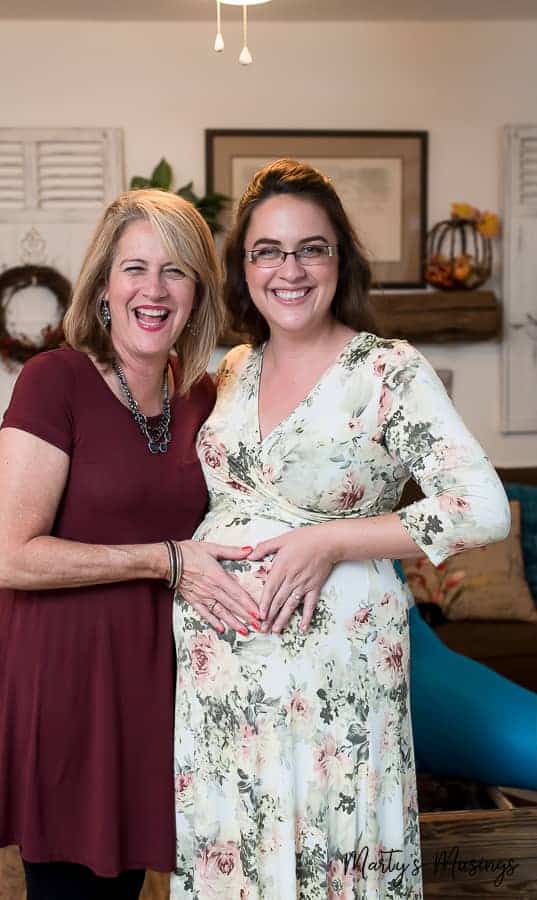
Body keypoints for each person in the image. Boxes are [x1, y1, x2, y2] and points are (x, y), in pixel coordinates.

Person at [171, 159, 511, 899]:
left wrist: (332, 540)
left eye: (310, 248)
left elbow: (479, 505)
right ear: (243, 267)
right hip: (222, 691)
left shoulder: (386, 370)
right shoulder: (232, 370)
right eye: (267, 250)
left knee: (337, 858)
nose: (287, 270)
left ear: (339, 260)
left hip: (336, 683)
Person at [0, 189, 260, 900]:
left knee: (127, 880)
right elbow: (10, 556)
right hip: (65, 674)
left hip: (156, 674)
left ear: (197, 292)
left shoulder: (200, 396)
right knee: (75, 888)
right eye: (135, 268)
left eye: (175, 271)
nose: (154, 289)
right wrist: (164, 560)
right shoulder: (55, 381)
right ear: (105, 284)